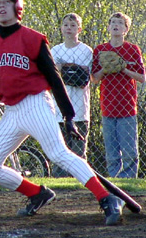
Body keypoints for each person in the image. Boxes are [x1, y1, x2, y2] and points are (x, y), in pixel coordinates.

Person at [0, 0, 125, 226]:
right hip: (11, 111)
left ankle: (107, 198)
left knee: (58, 153)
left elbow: (54, 77)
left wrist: (69, 116)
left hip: (36, 102)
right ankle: (36, 193)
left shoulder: (32, 38)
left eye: (6, 3)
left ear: (17, 8)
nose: (1, 7)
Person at [92, 12, 146, 179]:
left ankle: (129, 180)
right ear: (108, 27)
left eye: (120, 23)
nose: (116, 25)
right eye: (113, 22)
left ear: (126, 29)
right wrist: (105, 68)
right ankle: (115, 180)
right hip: (107, 105)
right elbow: (94, 79)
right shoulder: (101, 50)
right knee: (111, 152)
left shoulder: (132, 49)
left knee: (129, 150)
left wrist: (123, 68)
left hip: (128, 106)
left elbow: (142, 78)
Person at [51, 13, 92, 177]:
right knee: (59, 151)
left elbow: (83, 78)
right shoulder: (55, 50)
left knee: (78, 152)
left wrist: (64, 69)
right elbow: (53, 77)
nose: (69, 28)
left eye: (73, 25)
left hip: (80, 110)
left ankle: (81, 180)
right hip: (58, 110)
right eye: (66, 25)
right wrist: (70, 70)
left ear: (79, 29)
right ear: (61, 28)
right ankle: (59, 181)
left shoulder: (86, 50)